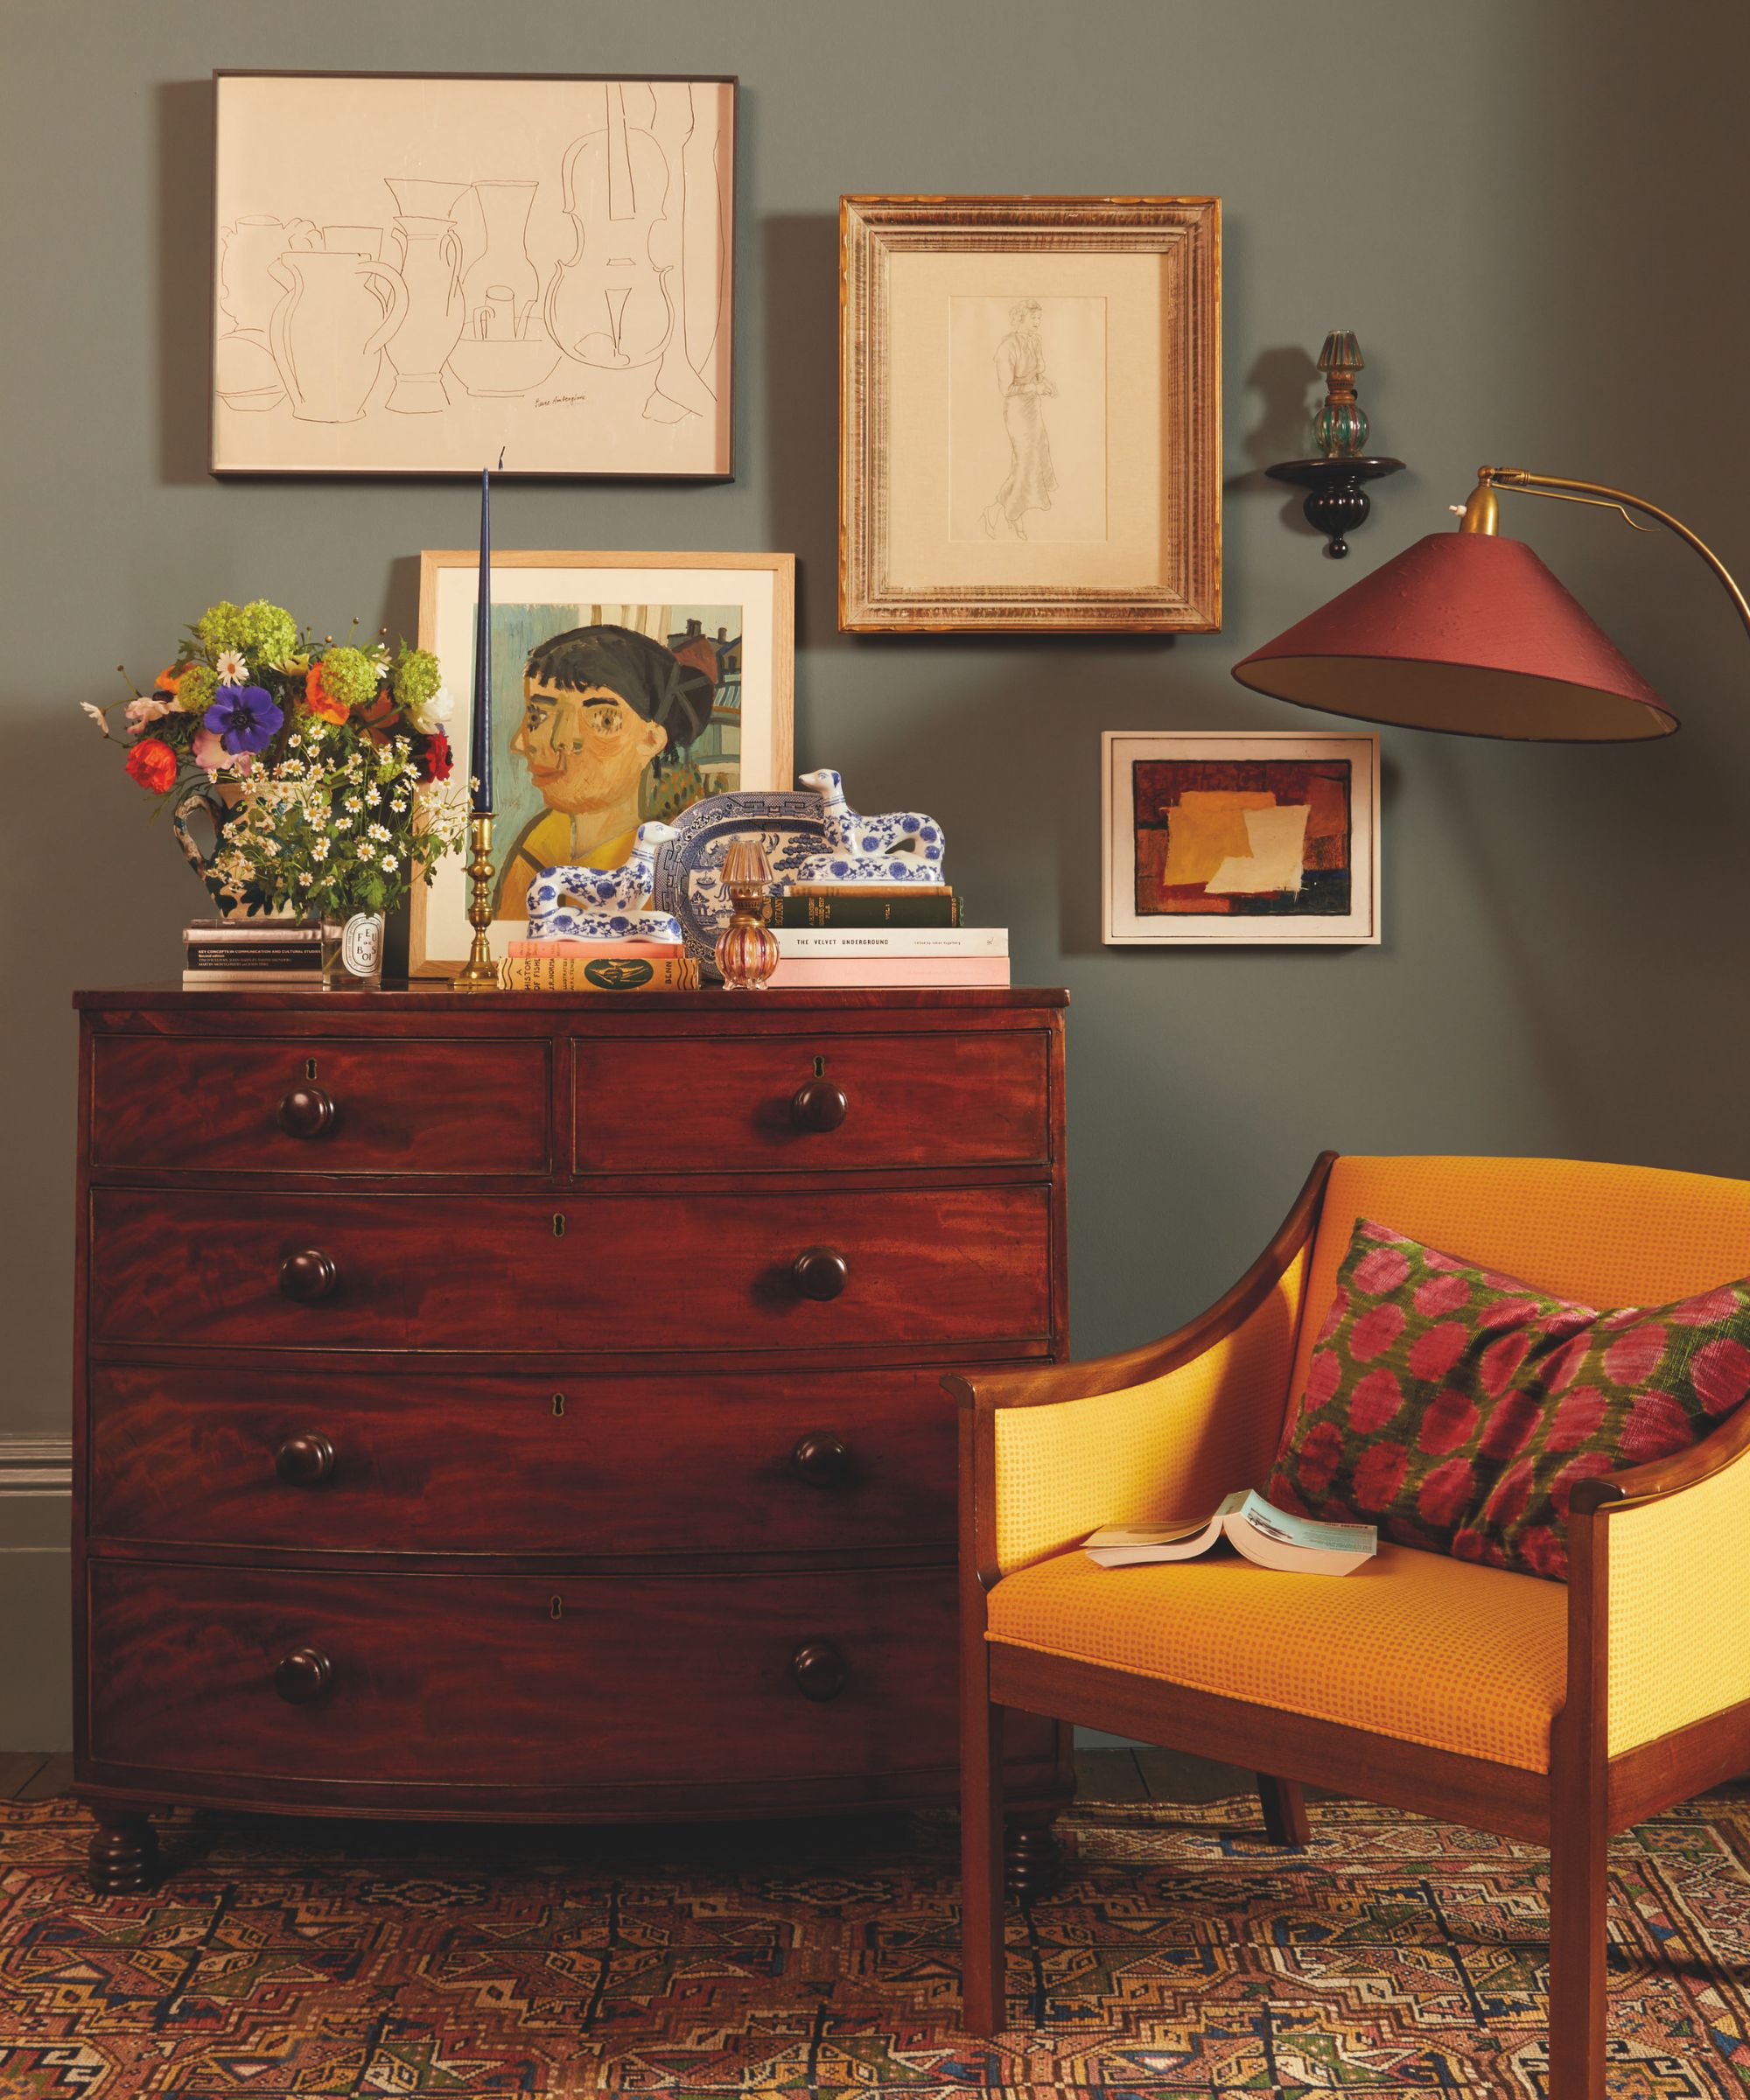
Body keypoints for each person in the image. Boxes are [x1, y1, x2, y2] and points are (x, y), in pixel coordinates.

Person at [494, 623, 715, 921]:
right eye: (538, 715)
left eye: (603, 719)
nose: (523, 742)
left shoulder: (670, 866)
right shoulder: (539, 841)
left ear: (651, 739)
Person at [982, 299, 1057, 541]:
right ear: (1020, 318)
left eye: (1039, 318)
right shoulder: (1007, 347)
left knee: (1031, 461)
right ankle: (1012, 515)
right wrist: (1035, 388)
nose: (1037, 322)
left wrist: (1045, 384)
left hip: (1033, 409)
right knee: (1025, 464)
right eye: (1033, 318)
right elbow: (1006, 389)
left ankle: (995, 511)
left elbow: (1037, 373)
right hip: (1016, 412)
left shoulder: (1036, 341)